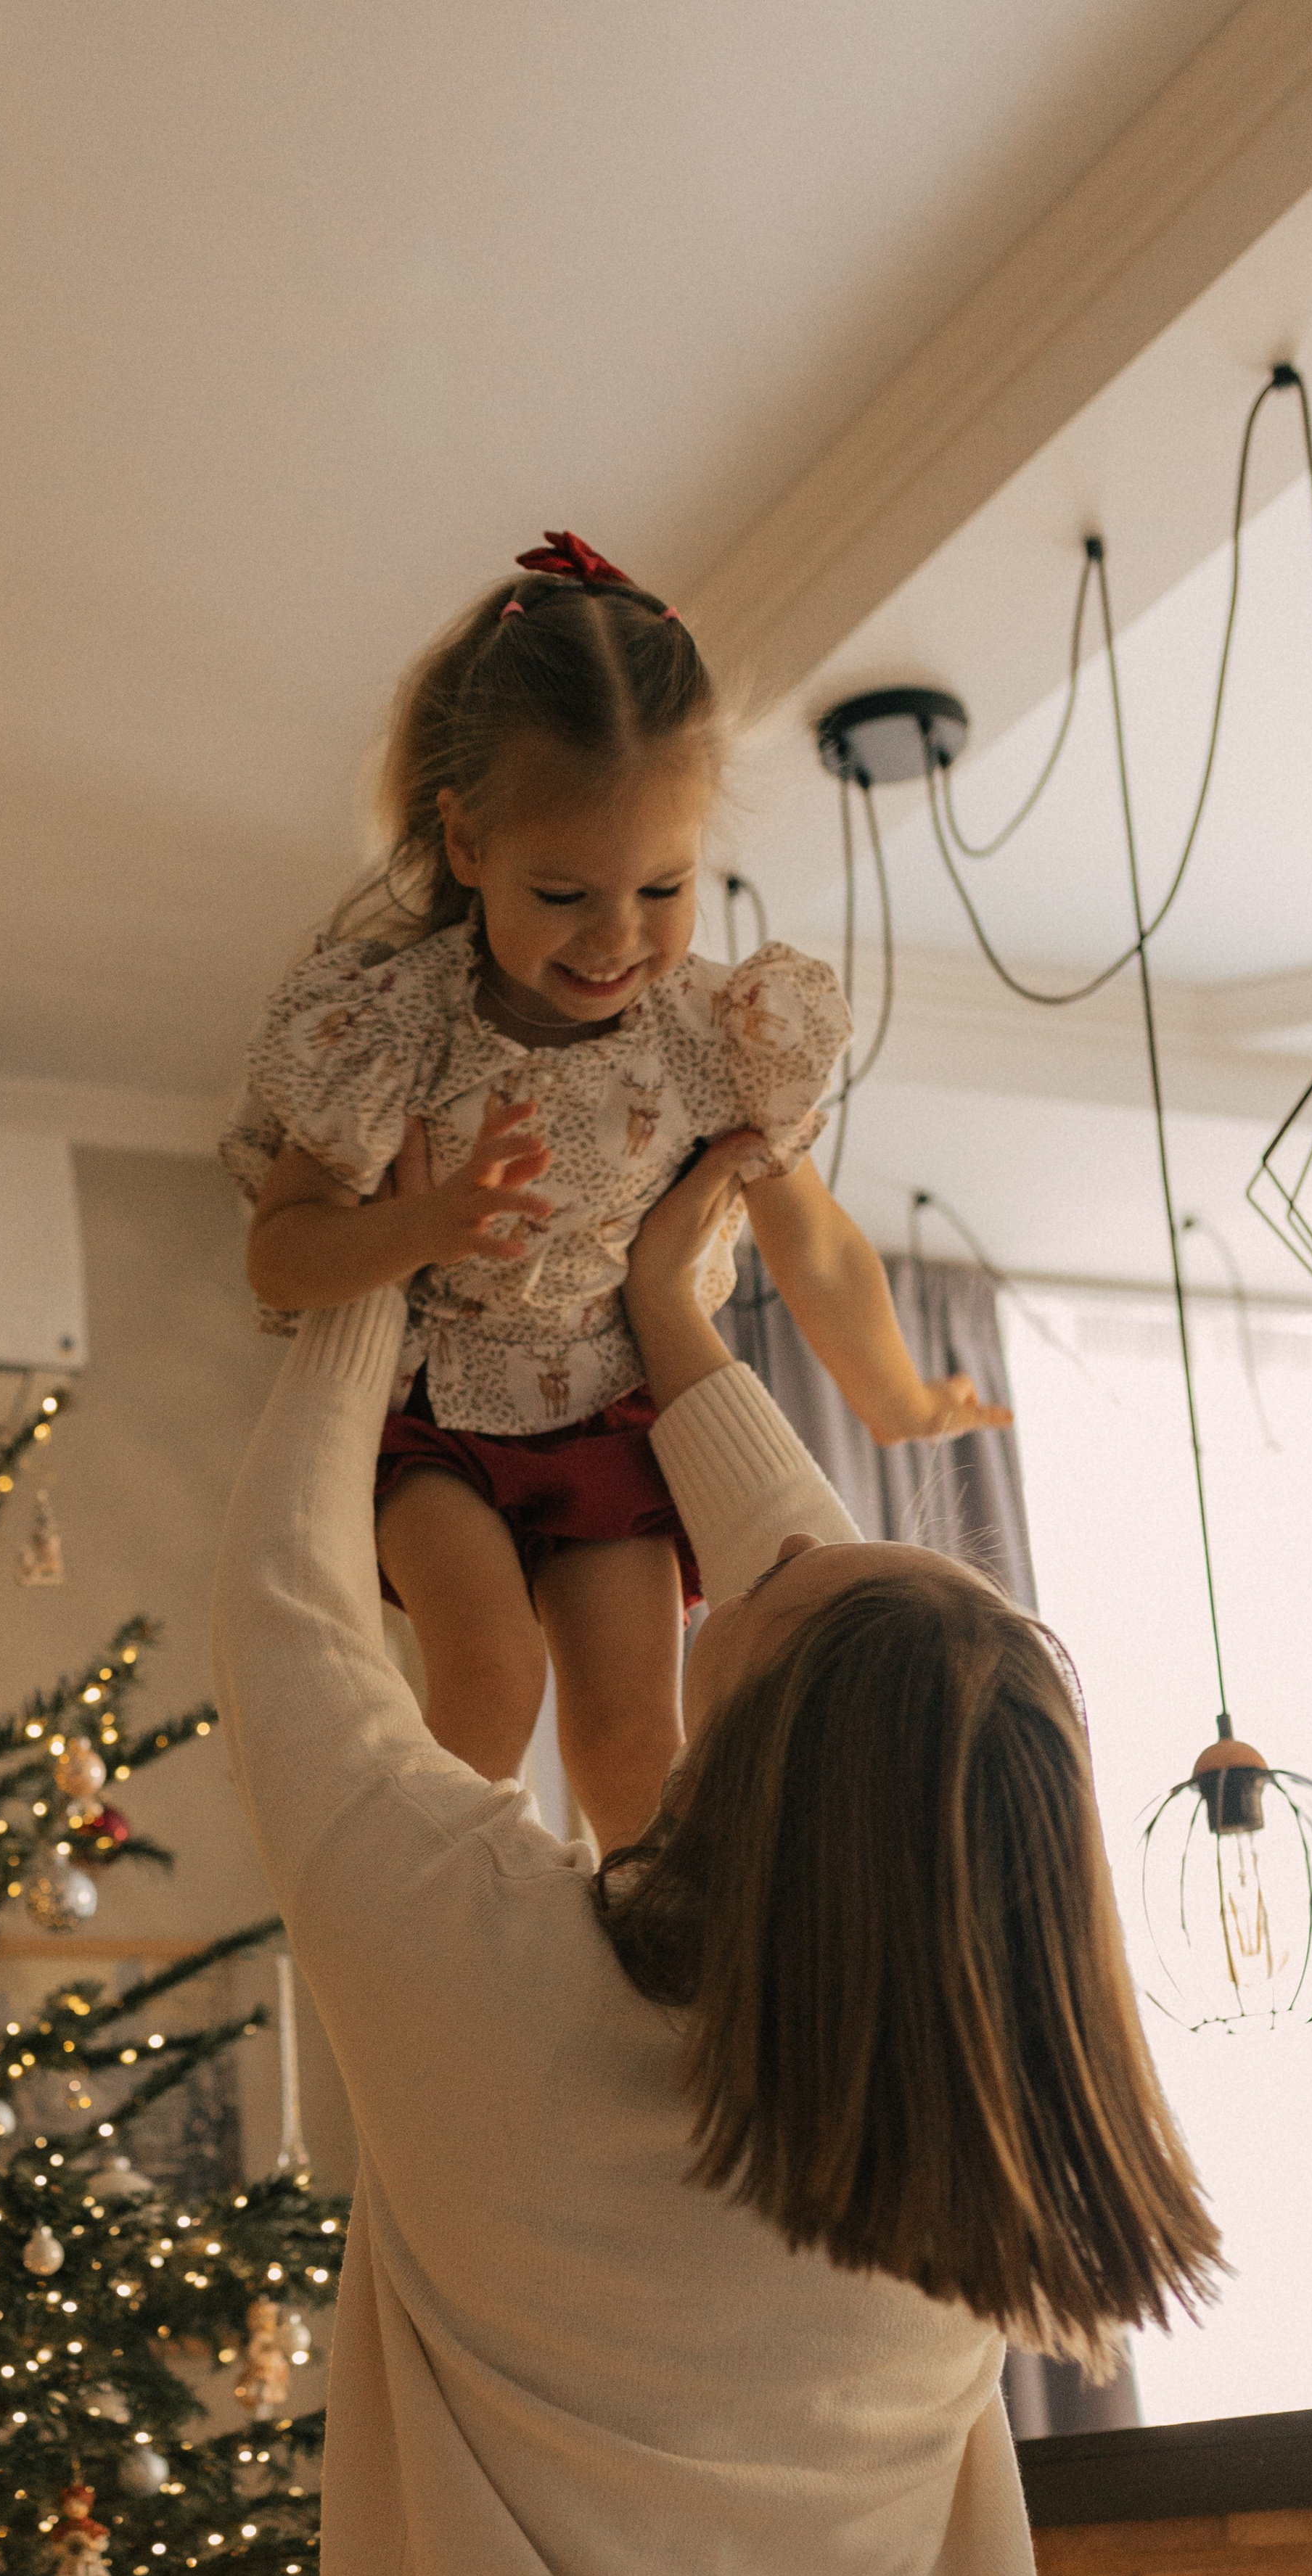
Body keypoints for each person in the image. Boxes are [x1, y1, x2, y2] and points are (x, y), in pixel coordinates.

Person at [212, 1125, 1222, 2576]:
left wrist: (369, 1274)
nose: (759, 1559)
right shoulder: (959, 2169)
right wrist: (664, 1312)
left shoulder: (493, 1987)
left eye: (767, 1591)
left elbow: (293, 1611)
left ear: (753, 1774)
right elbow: (849, 1672)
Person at [221, 530, 1009, 1848]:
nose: (617, 936)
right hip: (438, 1420)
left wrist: (894, 1392)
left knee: (637, 1738)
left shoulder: (715, 1037)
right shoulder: (397, 1027)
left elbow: (811, 1240)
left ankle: (642, 1940)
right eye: (563, 892)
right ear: (466, 842)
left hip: (612, 1419)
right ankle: (447, 1922)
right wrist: (422, 1225)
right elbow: (279, 1253)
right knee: (491, 1675)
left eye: (663, 886)